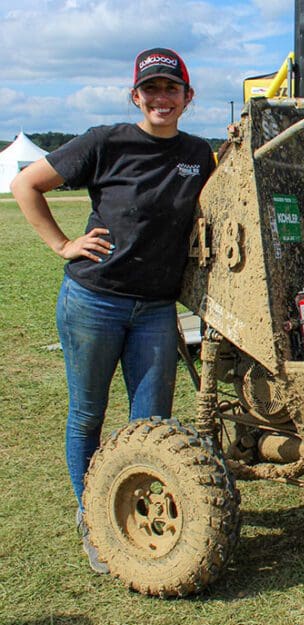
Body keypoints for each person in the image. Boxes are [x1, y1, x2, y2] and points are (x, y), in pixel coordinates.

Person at [11, 48, 216, 573]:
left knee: (152, 423)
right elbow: (25, 184)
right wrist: (62, 244)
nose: (161, 98)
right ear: (135, 96)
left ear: (188, 97)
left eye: (172, 89)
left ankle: (142, 510)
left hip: (154, 310)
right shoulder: (106, 142)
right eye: (151, 89)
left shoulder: (200, 154)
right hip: (93, 301)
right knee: (87, 414)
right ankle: (93, 516)